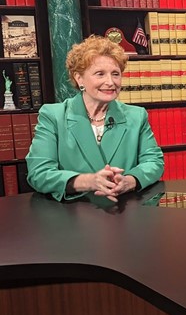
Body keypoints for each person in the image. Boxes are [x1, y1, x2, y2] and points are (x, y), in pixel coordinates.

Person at [26, 35, 164, 202]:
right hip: (74, 214)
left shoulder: (136, 115)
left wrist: (130, 181)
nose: (110, 82)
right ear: (79, 78)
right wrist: (90, 181)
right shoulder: (53, 116)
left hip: (126, 210)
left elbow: (154, 162)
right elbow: (39, 173)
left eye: (116, 74)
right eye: (100, 74)